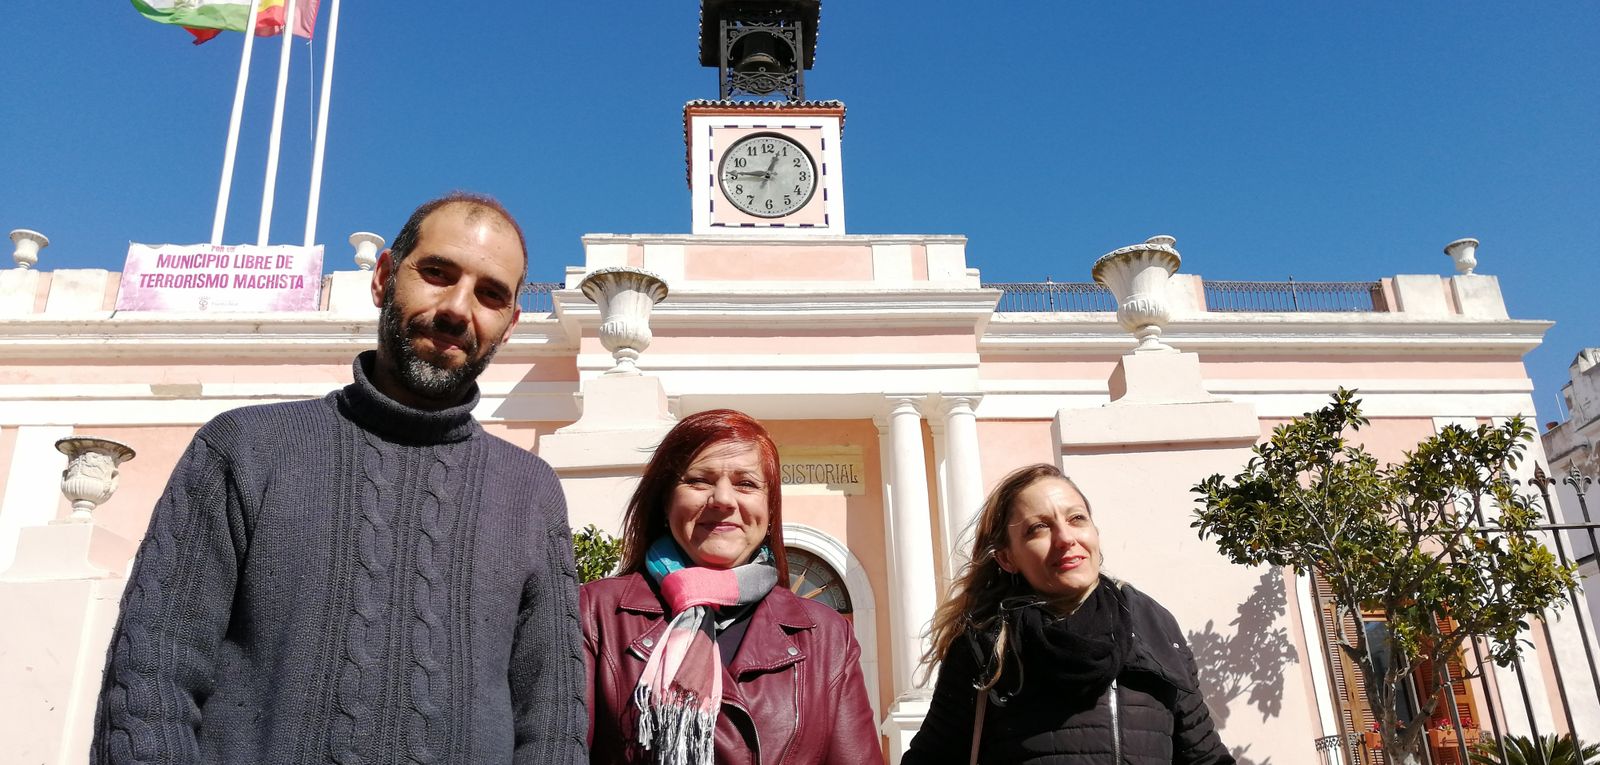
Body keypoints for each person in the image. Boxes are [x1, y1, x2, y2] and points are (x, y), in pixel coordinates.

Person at [91, 192, 587, 764]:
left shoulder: (531, 493)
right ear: (382, 278)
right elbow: (150, 681)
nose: (458, 308)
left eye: (490, 294)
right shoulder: (244, 449)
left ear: (510, 323)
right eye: (436, 273)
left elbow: (552, 727)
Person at [581, 409, 880, 765]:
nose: (723, 499)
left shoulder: (827, 636)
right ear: (665, 502)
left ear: (769, 508)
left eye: (746, 484)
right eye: (699, 481)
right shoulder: (595, 614)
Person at [903, 464, 1234, 765]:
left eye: (1077, 519)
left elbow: (1204, 755)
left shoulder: (1151, 624)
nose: (1065, 538)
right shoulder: (986, 645)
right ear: (1006, 558)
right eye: (1038, 528)